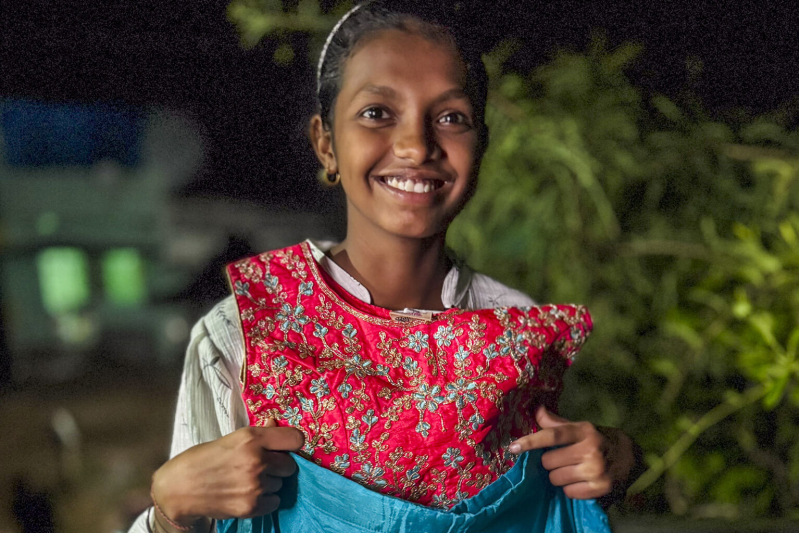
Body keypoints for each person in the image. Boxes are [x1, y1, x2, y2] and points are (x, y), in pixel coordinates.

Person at [129, 2, 642, 532]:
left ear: (481, 147)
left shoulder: (520, 332)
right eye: (376, 113)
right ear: (326, 143)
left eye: (451, 118)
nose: (416, 146)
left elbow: (560, 492)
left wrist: (619, 460)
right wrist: (171, 509)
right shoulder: (241, 335)